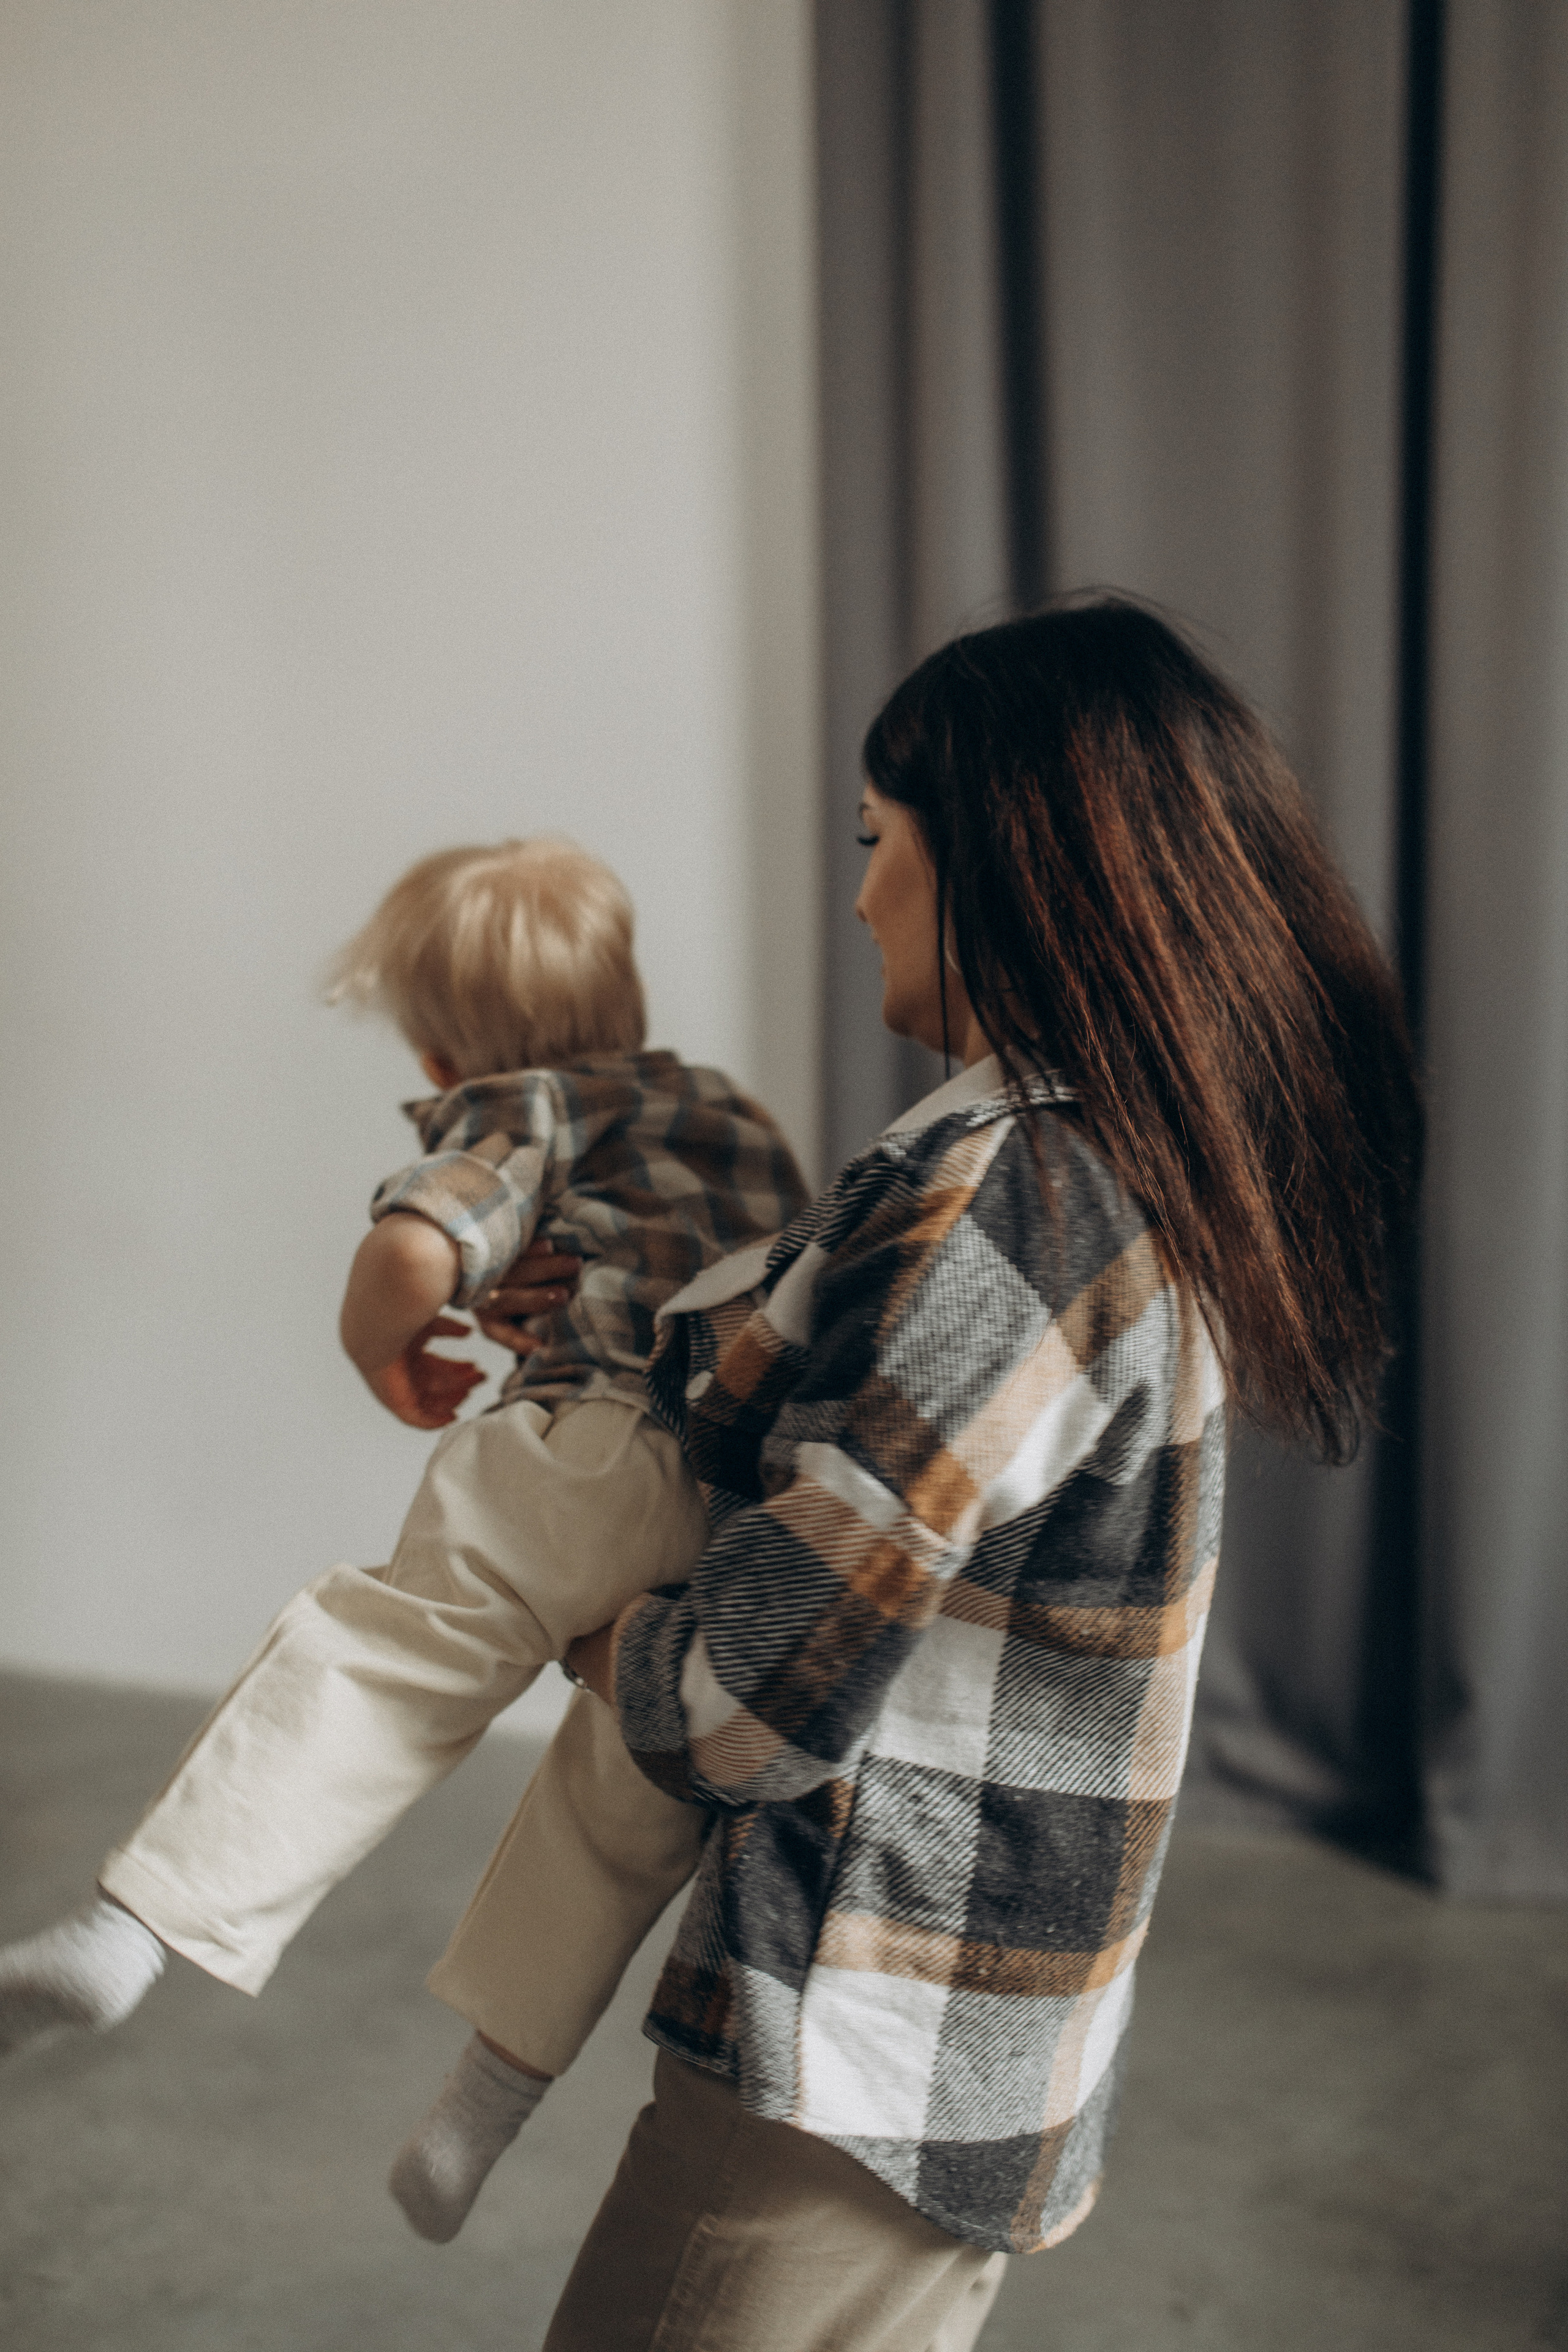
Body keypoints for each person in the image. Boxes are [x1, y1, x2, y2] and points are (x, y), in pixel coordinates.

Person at [530, 600, 1421, 2352]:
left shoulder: (1013, 1208)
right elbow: (817, 1360)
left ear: (1010, 865)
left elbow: (742, 1708)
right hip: (958, 2040)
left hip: (858, 2046)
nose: (856, 891)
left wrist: (585, 1623)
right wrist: (597, 1313)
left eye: (879, 842)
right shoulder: (1098, 1161)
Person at [0, 835, 809, 2242]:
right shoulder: (729, 1113)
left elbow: (416, 1253)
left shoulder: (529, 1107)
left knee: (377, 1666)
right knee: (620, 1809)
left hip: (586, 1445)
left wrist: (383, 1351)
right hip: (722, 1511)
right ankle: (481, 2107)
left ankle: (132, 1933)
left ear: (444, 1051)